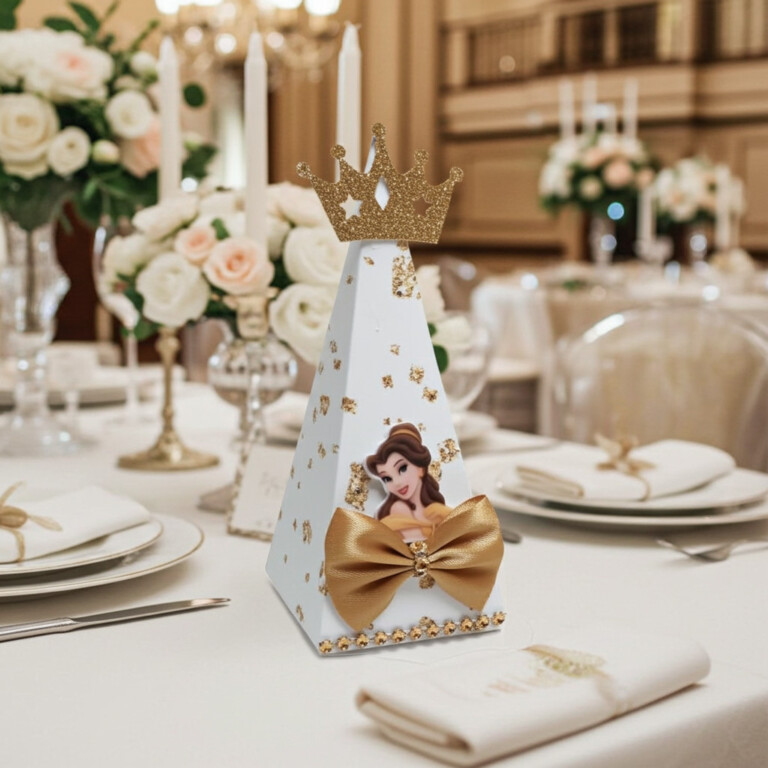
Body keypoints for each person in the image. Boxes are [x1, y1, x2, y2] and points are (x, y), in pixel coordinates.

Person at [366, 423, 451, 543]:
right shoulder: (399, 509)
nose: (397, 483)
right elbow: (418, 549)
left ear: (421, 468)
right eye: (387, 478)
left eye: (402, 469)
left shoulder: (436, 511)